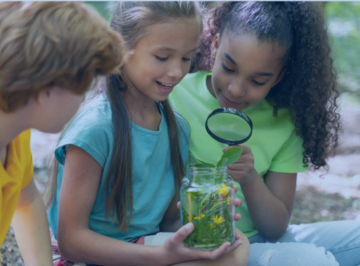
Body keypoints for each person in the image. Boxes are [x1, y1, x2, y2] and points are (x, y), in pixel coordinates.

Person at [45, 2, 250, 266]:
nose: (177, 71)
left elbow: (167, 221)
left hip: (143, 246)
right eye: (163, 57)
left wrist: (206, 217)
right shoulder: (95, 128)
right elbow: (71, 241)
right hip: (87, 257)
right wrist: (160, 257)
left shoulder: (176, 128)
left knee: (233, 243)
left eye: (186, 58)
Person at [169, 2, 360, 266]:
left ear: (279, 77)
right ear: (215, 45)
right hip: (214, 250)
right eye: (229, 67)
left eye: (257, 81)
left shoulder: (284, 122)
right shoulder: (175, 96)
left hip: (264, 240)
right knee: (316, 262)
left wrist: (249, 178)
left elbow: (275, 228)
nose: (236, 89)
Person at [0, 2, 123, 265]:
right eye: (84, 85)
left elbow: (26, 199)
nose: (84, 99)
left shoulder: (13, 135)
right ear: (46, 88)